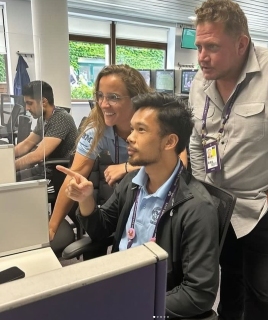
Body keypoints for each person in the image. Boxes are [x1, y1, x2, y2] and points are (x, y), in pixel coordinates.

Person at [188, 1, 268, 320]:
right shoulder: (200, 82)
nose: (202, 56)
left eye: (213, 47)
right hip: (220, 204)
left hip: (266, 206)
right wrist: (202, 189)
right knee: (230, 279)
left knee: (260, 289)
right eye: (199, 46)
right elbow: (198, 137)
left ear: (241, 43)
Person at [57, 92, 220, 319]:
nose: (130, 138)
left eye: (141, 130)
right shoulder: (132, 183)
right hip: (119, 285)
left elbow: (198, 294)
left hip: (150, 304)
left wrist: (135, 305)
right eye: (132, 129)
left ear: (170, 142)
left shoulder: (196, 208)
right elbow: (100, 230)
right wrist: (85, 199)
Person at [48, 64, 150, 240]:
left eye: (114, 97)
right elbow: (74, 175)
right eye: (100, 96)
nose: (103, 104)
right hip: (129, 193)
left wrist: (128, 167)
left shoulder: (154, 120)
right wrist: (52, 227)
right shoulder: (98, 129)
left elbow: (178, 162)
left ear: (136, 99)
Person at [15, 80, 77, 181]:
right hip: (45, 168)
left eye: (30, 103)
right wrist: (7, 156)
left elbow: (38, 155)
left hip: (58, 173)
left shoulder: (60, 118)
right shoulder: (43, 118)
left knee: (16, 183)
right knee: (13, 177)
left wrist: (10, 166)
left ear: (44, 102)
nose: (27, 108)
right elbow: (28, 143)